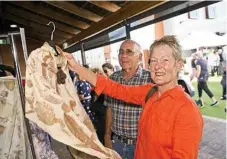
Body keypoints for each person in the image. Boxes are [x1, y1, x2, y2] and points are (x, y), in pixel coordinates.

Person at [62, 35, 203, 159]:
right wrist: (76, 66)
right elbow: (113, 88)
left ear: (178, 65)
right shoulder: (151, 92)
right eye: (153, 61)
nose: (157, 66)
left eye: (165, 60)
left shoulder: (187, 110)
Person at [103, 40, 152, 159]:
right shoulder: (112, 78)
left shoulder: (151, 79)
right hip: (117, 143)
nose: (123, 56)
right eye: (121, 52)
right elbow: (109, 108)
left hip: (142, 145)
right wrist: (107, 136)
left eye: (129, 52)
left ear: (139, 57)